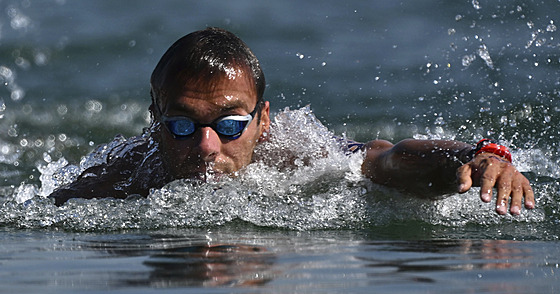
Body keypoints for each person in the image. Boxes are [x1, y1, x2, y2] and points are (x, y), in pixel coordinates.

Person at [49, 27, 535, 215]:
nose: (205, 146)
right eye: (181, 125)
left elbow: (385, 158)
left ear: (263, 120)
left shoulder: (297, 153)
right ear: (154, 119)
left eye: (230, 124)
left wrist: (480, 155)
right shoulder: (119, 177)